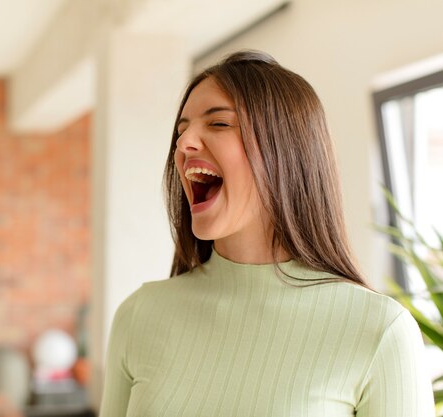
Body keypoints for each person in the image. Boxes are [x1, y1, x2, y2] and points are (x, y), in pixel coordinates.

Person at [98, 50, 434, 416]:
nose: (183, 144)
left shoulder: (380, 330)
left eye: (219, 124)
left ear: (285, 151)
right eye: (181, 131)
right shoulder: (140, 315)